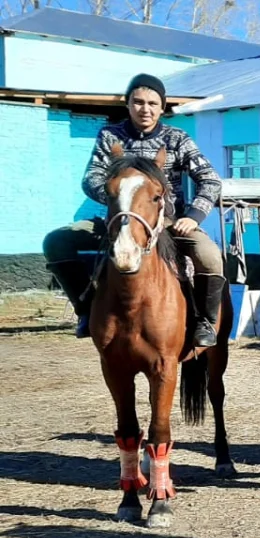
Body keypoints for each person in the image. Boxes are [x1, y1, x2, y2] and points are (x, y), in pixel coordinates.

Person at [44, 73, 225, 345]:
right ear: (128, 105)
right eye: (138, 102)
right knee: (56, 242)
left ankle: (204, 322)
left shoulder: (177, 138)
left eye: (153, 103)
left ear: (162, 107)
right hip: (116, 218)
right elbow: (91, 177)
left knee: (210, 256)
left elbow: (210, 179)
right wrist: (119, 200)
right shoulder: (110, 135)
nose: (145, 109)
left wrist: (193, 216)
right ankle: (86, 309)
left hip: (167, 222)